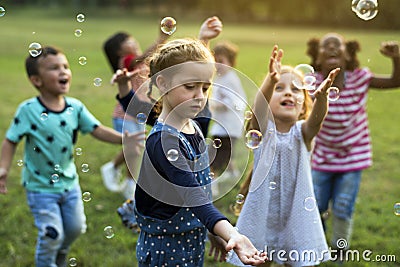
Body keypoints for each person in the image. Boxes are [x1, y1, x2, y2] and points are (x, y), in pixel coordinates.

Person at [113, 37, 268, 266]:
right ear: (164, 84)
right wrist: (232, 234)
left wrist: (211, 231)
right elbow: (194, 196)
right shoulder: (164, 142)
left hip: (191, 243)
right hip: (165, 252)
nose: (200, 95)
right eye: (190, 86)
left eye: (206, 87)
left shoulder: (191, 124)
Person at [0, 46, 144, 267]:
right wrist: (3, 169)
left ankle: (60, 253)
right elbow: (10, 140)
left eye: (65, 66)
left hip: (70, 185)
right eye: (54, 68)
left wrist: (123, 139)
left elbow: (97, 129)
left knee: (75, 228)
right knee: (52, 233)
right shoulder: (27, 110)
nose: (63, 71)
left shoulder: (75, 107)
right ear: (37, 80)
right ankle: (46, 262)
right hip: (40, 188)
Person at [227, 45, 340, 267]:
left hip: (295, 211)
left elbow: (316, 120)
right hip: (262, 210)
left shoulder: (302, 134)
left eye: (297, 90)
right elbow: (258, 106)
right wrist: (270, 80)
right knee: (259, 259)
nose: (288, 92)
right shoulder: (263, 131)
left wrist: (322, 98)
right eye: (280, 88)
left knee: (294, 259)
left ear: (302, 107)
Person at [306, 33, 400, 253]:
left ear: (347, 55)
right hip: (322, 157)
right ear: (317, 58)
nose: (331, 47)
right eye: (325, 45)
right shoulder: (312, 84)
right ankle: (316, 245)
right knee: (316, 205)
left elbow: (396, 81)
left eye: (336, 45)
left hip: (354, 156)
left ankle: (339, 250)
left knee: (343, 206)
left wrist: (396, 58)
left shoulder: (359, 79)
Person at [101, 28, 170, 200]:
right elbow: (144, 56)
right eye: (129, 41)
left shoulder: (142, 64)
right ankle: (128, 182)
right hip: (124, 114)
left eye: (133, 39)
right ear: (119, 51)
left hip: (139, 112)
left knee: (135, 148)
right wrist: (161, 38)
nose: (134, 42)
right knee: (134, 148)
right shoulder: (126, 61)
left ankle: (114, 169)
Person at [209, 41, 247, 181]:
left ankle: (213, 179)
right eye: (215, 61)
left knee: (218, 153)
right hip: (222, 123)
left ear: (230, 62)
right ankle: (233, 172)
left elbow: (237, 101)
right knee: (225, 151)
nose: (217, 64)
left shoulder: (231, 79)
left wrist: (220, 105)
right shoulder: (220, 78)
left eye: (221, 61)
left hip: (229, 125)